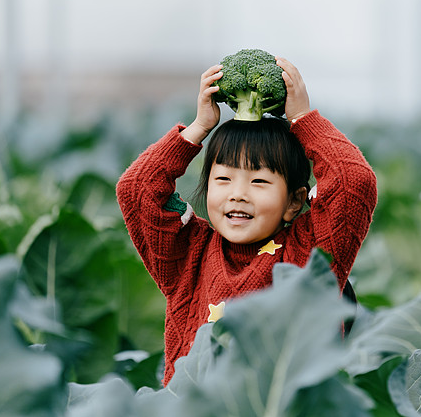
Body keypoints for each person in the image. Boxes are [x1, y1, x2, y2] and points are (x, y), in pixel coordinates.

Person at [116, 57, 377, 385]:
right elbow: (137, 189)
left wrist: (303, 119)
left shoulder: (311, 255)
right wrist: (198, 128)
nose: (238, 194)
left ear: (294, 201)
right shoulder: (189, 255)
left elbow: (354, 182)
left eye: (259, 181)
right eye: (223, 179)